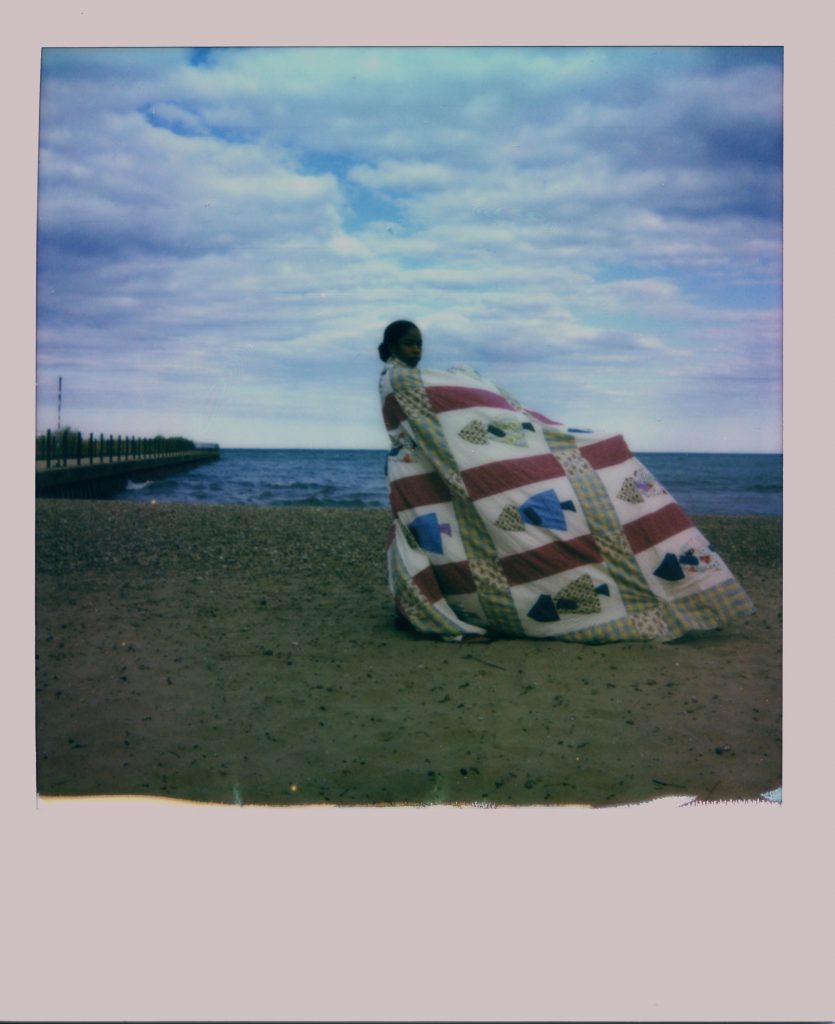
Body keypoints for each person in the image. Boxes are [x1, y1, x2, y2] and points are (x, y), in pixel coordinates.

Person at [378, 320, 755, 643]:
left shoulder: (406, 378)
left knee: (423, 539)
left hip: (411, 471)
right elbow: (429, 421)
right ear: (393, 345)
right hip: (415, 472)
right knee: (423, 538)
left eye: (419, 344)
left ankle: (420, 604)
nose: (416, 350)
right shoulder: (398, 379)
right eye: (409, 343)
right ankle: (419, 605)